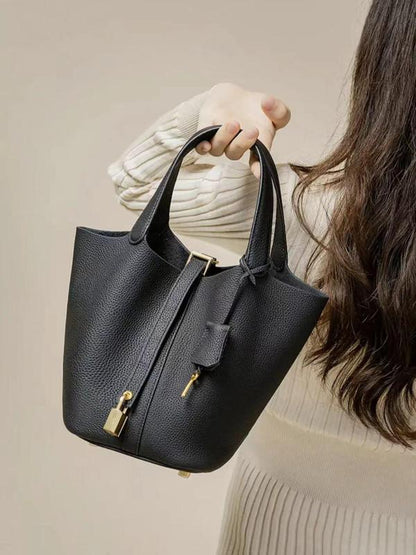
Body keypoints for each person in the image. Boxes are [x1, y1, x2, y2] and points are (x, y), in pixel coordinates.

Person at [108, 1, 416, 552]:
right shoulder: (304, 209)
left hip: (271, 525)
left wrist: (209, 109)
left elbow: (135, 183)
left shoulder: (304, 210)